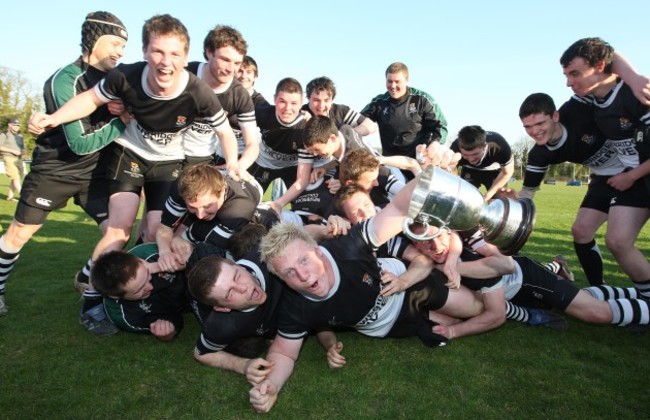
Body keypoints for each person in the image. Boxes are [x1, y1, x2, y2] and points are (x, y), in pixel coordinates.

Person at [28, 14, 243, 334]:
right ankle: (91, 299)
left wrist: (234, 165)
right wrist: (53, 118)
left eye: (174, 54)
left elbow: (225, 133)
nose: (165, 62)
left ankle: (148, 293)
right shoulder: (126, 76)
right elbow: (88, 100)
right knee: (118, 231)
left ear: (186, 58)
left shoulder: (198, 91)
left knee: (157, 230)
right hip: (129, 155)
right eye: (158, 51)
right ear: (144, 51)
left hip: (168, 163)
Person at [249, 172, 484, 413]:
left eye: (304, 261)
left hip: (408, 287)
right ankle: (433, 318)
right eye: (289, 272)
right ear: (280, 278)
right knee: (446, 323)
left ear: (318, 251)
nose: (303, 276)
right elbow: (284, 353)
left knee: (476, 309)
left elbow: (401, 206)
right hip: (390, 325)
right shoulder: (295, 305)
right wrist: (271, 385)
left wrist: (431, 173)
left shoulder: (350, 246)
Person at [0, 11, 128, 323]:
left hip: (95, 175)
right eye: (114, 43)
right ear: (93, 39)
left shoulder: (118, 78)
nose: (119, 52)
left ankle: (86, 277)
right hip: (55, 170)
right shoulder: (65, 79)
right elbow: (80, 142)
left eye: (123, 47)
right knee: (19, 235)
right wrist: (120, 122)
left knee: (118, 234)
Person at [408, 224, 650, 341]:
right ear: (415, 244)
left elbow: (496, 313)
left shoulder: (474, 253)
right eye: (426, 243)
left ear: (448, 231)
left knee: (595, 314)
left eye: (439, 237)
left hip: (532, 281)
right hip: (518, 289)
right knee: (587, 297)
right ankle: (634, 294)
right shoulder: (421, 254)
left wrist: (453, 331)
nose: (436, 247)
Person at [559, 38, 650, 300]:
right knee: (618, 242)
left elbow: (611, 55)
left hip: (635, 175)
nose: (569, 83)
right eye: (566, 75)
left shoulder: (636, 95)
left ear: (599, 66)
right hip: (631, 179)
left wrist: (632, 77)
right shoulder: (587, 100)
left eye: (575, 74)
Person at [513, 93, 621, 286]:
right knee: (581, 231)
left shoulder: (576, 108)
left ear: (555, 116)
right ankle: (600, 288)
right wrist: (509, 216)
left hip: (638, 166)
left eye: (540, 124)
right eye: (528, 127)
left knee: (620, 240)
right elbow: (527, 195)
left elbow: (602, 85)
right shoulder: (539, 154)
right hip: (604, 178)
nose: (535, 131)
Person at [155, 163, 262, 273]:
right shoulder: (181, 186)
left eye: (207, 206)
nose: (200, 215)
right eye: (191, 207)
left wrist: (179, 242)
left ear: (222, 191)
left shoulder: (239, 209)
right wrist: (165, 252)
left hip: (246, 196)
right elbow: (164, 227)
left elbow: (204, 252)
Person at [185, 25, 259, 169]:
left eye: (237, 63)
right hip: (165, 154)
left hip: (203, 159)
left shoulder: (239, 95)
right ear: (209, 52)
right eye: (225, 60)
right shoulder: (185, 73)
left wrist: (236, 167)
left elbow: (252, 144)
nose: (231, 69)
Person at [361, 62, 447, 179]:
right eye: (389, 81)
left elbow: (441, 126)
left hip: (418, 162)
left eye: (397, 81)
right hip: (391, 164)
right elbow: (358, 120)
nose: (393, 86)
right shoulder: (379, 102)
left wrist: (435, 144)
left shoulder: (422, 100)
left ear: (407, 80)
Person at [91, 243, 192, 340]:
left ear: (140, 261)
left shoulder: (150, 253)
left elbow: (199, 255)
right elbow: (171, 320)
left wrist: (158, 265)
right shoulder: (123, 317)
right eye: (139, 290)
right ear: (114, 296)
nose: (150, 287)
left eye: (147, 276)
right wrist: (167, 332)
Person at [249, 77, 318, 214]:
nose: (288, 108)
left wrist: (278, 204)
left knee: (305, 209)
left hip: (292, 169)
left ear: (301, 104)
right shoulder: (261, 114)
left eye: (294, 103)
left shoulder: (306, 128)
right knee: (247, 202)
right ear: (274, 99)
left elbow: (302, 179)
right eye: (282, 102)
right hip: (263, 165)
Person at [303, 115, 421, 179]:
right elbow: (342, 158)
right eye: (311, 151)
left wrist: (343, 185)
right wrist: (325, 167)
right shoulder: (344, 131)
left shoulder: (358, 154)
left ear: (332, 138)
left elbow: (376, 168)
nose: (314, 154)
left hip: (387, 180)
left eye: (316, 150)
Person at [449, 125, 513, 201]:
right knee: (464, 199)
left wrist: (488, 195)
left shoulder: (499, 146)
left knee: (497, 202)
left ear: (484, 146)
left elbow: (507, 172)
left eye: (475, 154)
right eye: (465, 155)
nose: (471, 159)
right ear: (460, 148)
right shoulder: (455, 147)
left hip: (494, 172)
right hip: (469, 170)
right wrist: (457, 183)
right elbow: (451, 170)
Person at [302, 76, 377, 136]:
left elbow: (371, 125)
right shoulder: (300, 114)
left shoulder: (339, 111)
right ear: (308, 98)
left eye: (326, 100)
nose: (321, 105)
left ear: (332, 99)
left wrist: (345, 136)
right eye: (316, 100)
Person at [0, 119, 25, 201]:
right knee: (15, 177)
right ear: (9, 125)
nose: (17, 127)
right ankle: (24, 197)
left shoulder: (20, 136)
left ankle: (10, 197)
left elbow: (23, 148)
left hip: (18, 159)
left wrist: (23, 151)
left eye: (18, 125)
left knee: (16, 178)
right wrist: (12, 151)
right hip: (8, 157)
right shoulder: (4, 134)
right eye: (15, 125)